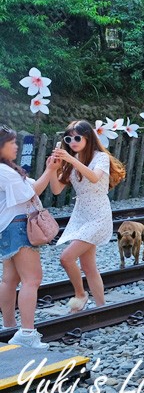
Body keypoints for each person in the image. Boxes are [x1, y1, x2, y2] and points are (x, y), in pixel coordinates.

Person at [51, 121, 125, 313]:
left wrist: (71, 159)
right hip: (81, 214)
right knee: (88, 266)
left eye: (77, 138)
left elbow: (94, 177)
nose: (72, 142)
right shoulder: (71, 159)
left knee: (66, 258)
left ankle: (81, 295)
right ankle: (102, 308)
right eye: (69, 139)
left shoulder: (100, 157)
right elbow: (57, 189)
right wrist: (53, 168)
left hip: (99, 214)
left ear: (88, 137)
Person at [0, 125, 61, 348]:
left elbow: (34, 186)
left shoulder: (6, 169)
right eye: (11, 143)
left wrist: (49, 169)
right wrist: (50, 170)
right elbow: (32, 192)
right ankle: (27, 333)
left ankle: (9, 326)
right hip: (18, 227)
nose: (16, 146)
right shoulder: (4, 171)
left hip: (7, 227)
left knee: (9, 279)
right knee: (32, 279)